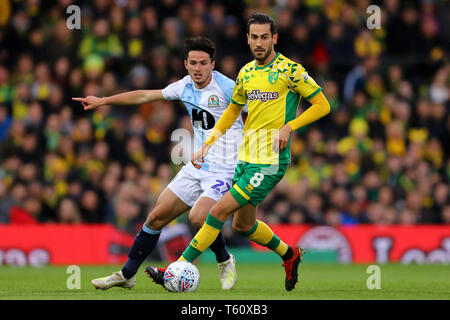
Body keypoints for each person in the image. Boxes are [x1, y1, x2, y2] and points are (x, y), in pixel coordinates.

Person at [147, 13, 331, 291]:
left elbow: (322, 104)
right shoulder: (245, 72)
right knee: (244, 226)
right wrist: (209, 143)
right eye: (254, 37)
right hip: (245, 159)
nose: (259, 43)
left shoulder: (291, 71)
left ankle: (177, 267)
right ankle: (289, 254)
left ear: (274, 38)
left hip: (269, 162)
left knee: (217, 212)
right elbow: (233, 109)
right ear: (247, 39)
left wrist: (289, 127)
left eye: (264, 37)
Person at [72, 37, 244, 290]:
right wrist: (104, 100)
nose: (198, 68)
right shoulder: (184, 86)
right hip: (197, 166)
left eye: (203, 63)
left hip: (226, 170)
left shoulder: (228, 87)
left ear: (213, 65)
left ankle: (224, 259)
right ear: (186, 64)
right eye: (193, 63)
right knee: (155, 218)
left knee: (199, 218)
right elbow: (144, 96)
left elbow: (260, 111)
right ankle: (126, 275)